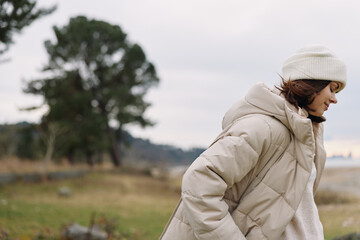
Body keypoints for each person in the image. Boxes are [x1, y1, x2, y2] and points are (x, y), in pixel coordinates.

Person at [159, 45, 347, 240]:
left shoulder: (305, 137)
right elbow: (199, 182)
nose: (334, 99)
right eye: (332, 89)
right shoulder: (263, 127)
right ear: (312, 83)